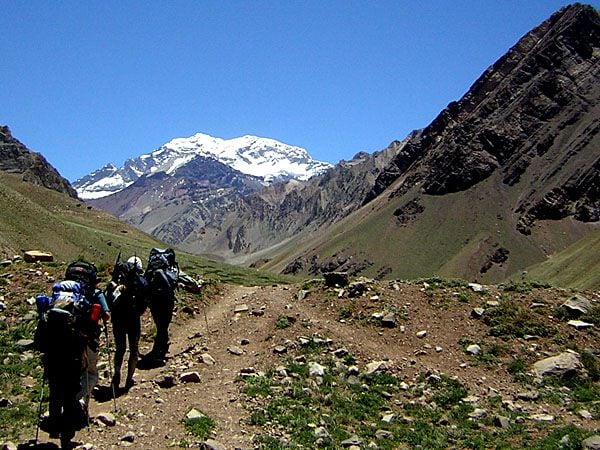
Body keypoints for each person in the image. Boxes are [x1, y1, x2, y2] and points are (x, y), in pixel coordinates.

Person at [34, 260, 108, 449]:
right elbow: (100, 317)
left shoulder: (57, 297)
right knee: (73, 385)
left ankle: (54, 423)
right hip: (74, 349)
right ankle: (70, 424)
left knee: (54, 386)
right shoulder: (85, 298)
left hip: (52, 350)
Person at [106, 256, 149, 390]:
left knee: (120, 348)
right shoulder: (139, 281)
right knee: (133, 349)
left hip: (117, 318)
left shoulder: (117, 280)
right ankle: (129, 379)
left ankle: (117, 373)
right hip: (133, 318)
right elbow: (145, 299)